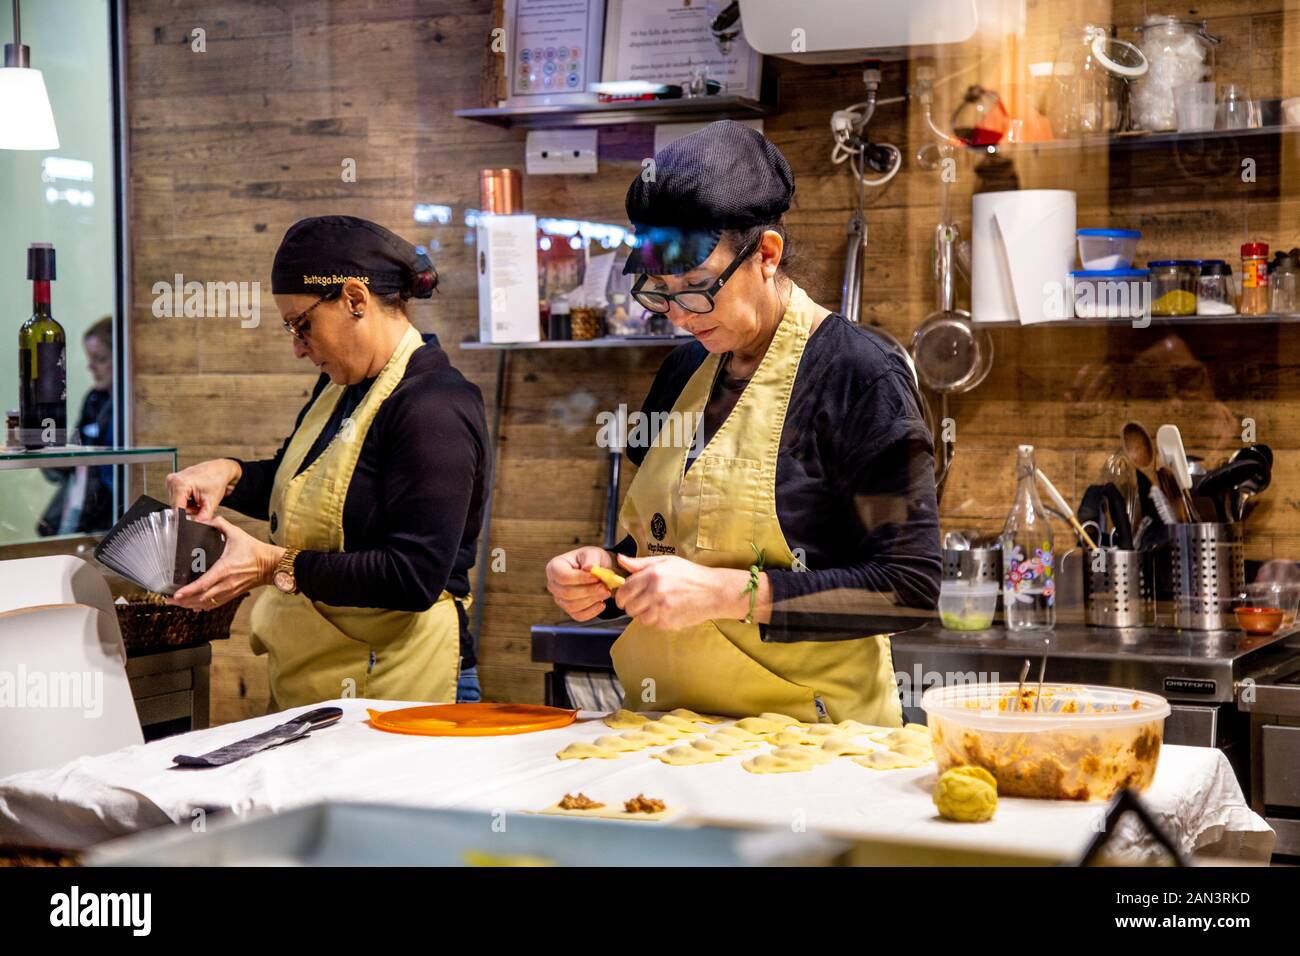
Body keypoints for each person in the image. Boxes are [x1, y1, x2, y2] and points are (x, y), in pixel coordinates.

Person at [545, 122, 940, 725]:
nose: (679, 316)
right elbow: (658, 548)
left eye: (699, 289)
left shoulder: (859, 374)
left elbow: (906, 586)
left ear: (767, 255)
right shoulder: (681, 372)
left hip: (813, 747)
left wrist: (726, 594)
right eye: (661, 293)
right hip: (667, 734)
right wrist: (602, 575)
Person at [165, 216, 490, 710]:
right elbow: (308, 484)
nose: (298, 347)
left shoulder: (433, 405)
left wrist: (272, 564)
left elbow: (414, 576)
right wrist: (230, 474)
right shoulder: (342, 386)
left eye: (303, 324)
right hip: (316, 683)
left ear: (355, 300)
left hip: (404, 694)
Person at [38, 317, 114, 536]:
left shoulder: (129, 408)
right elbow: (74, 450)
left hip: (110, 517)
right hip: (85, 515)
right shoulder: (94, 400)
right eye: (90, 358)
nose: (90, 367)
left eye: (100, 359)